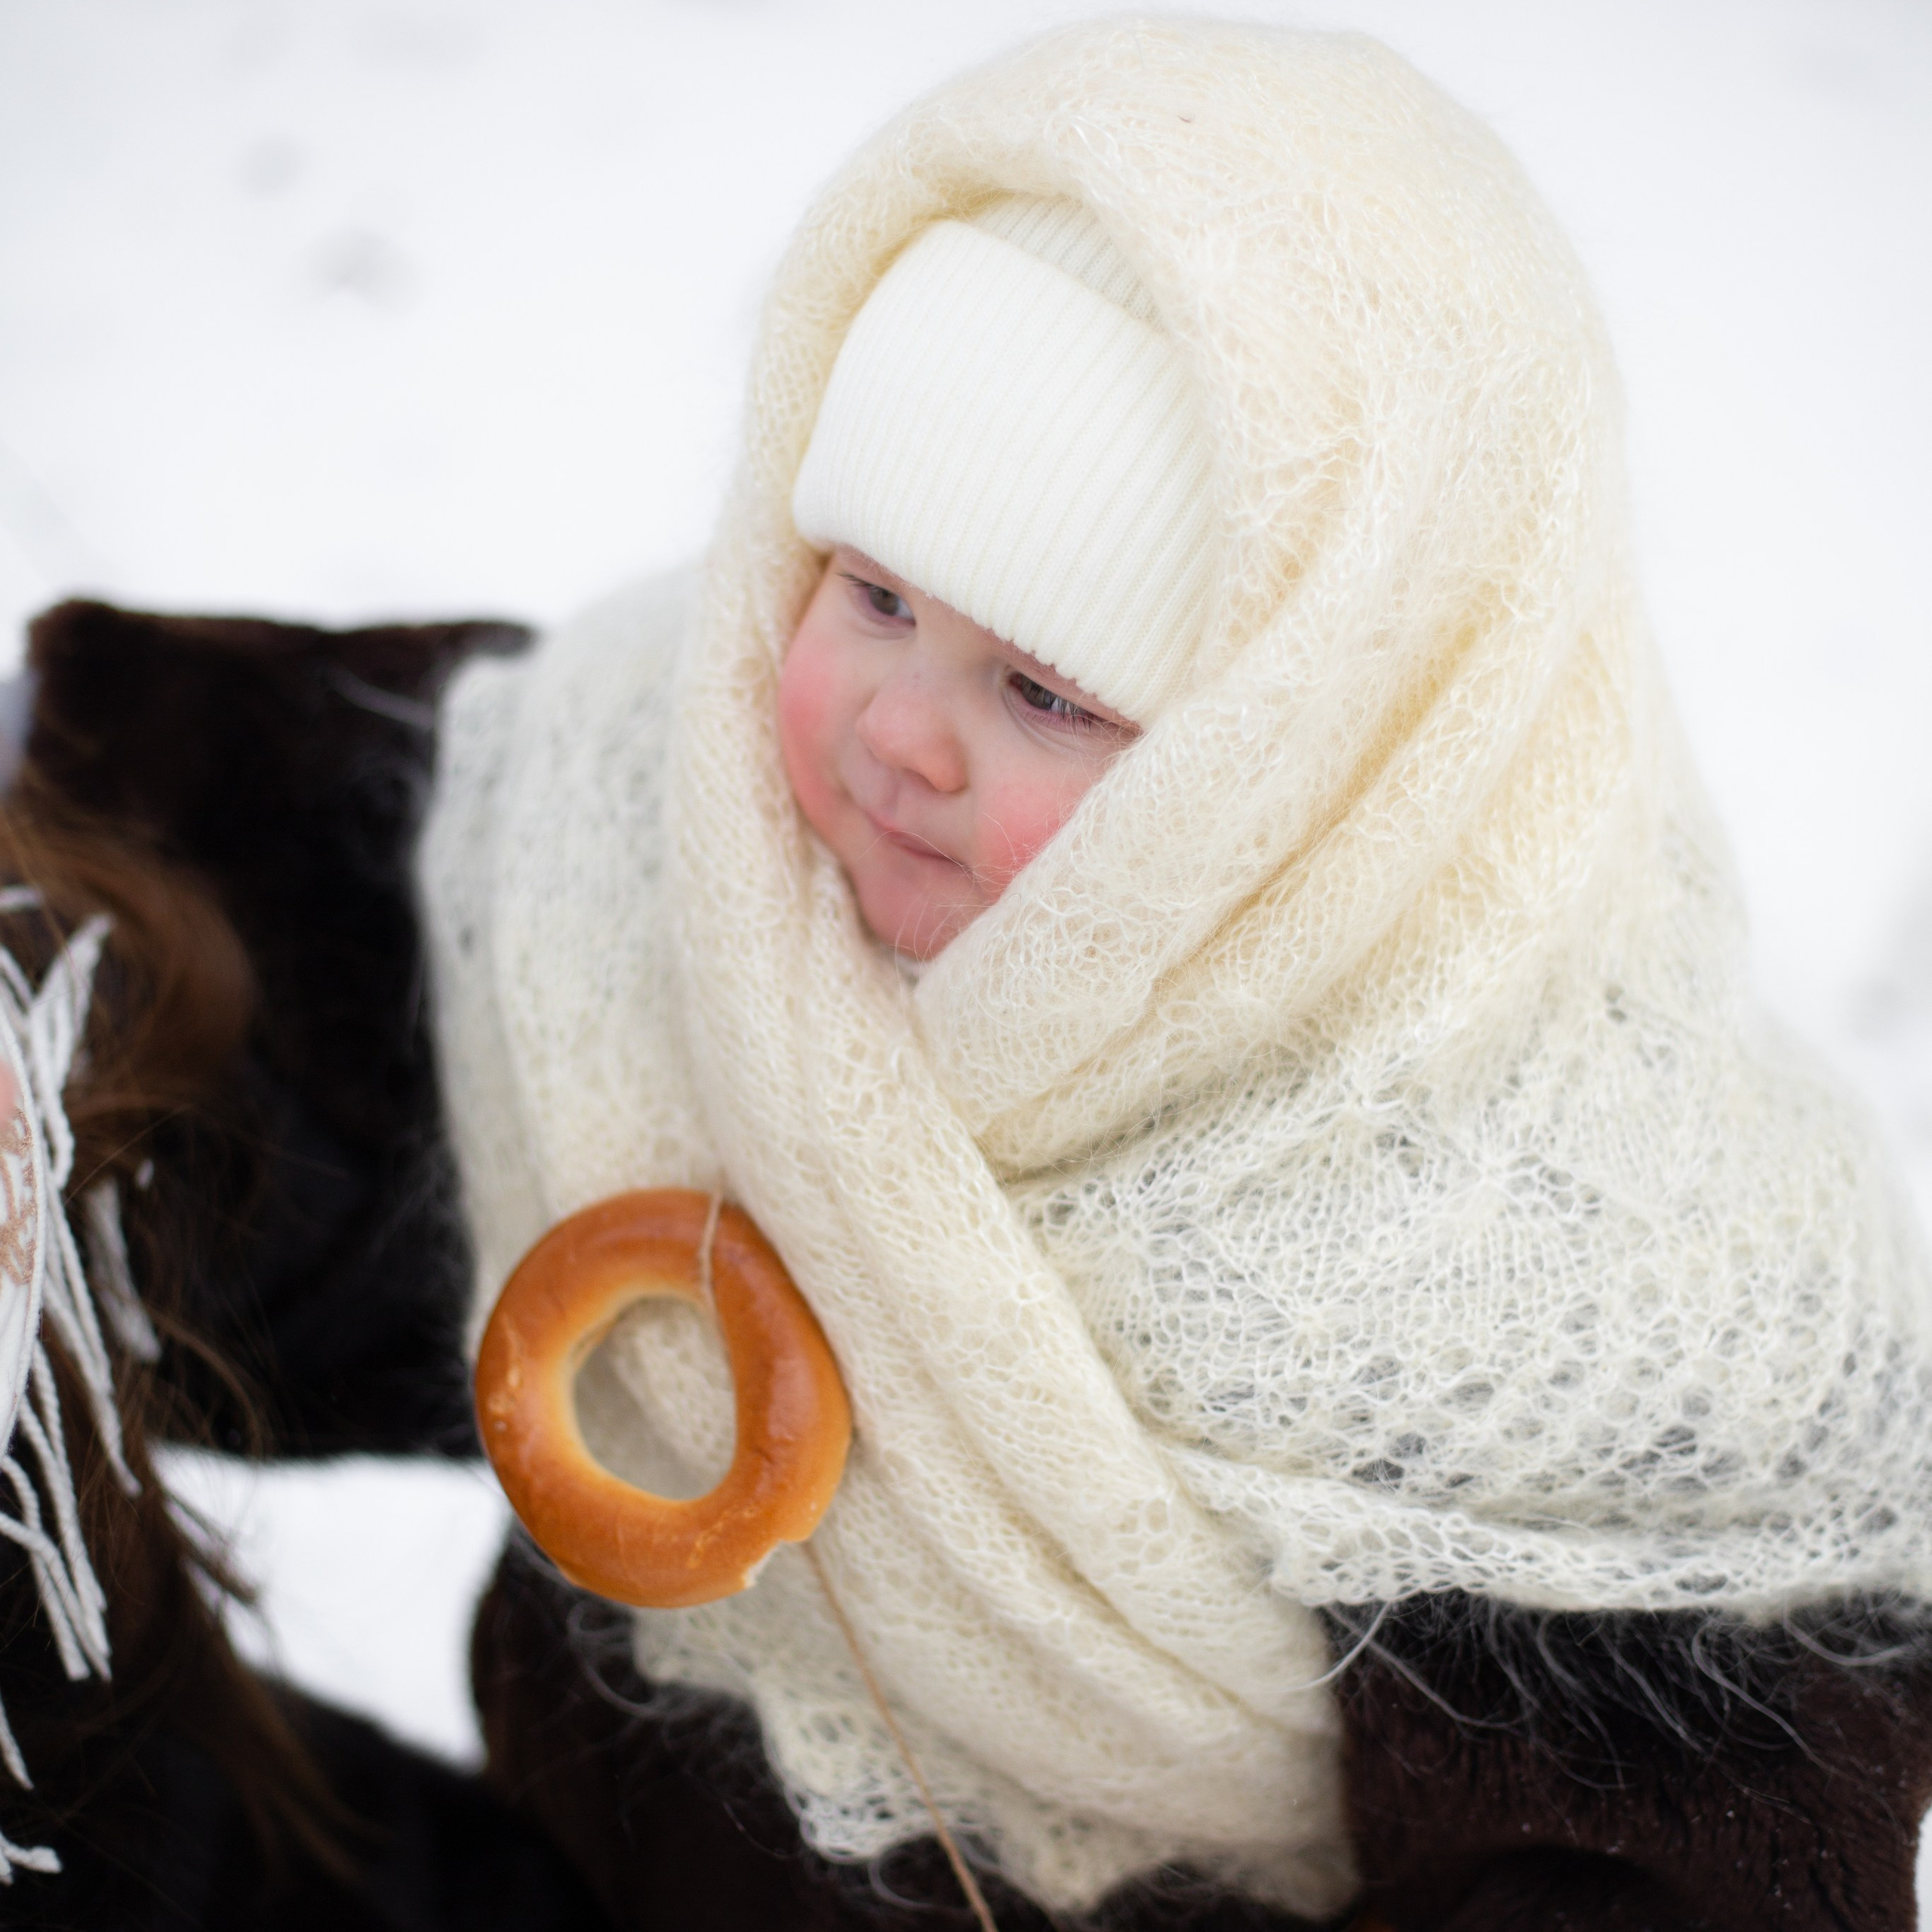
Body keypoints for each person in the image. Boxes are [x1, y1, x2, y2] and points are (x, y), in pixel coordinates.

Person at [420, 19, 1932, 1930]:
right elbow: (312, 955)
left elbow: (1650, 1855)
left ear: (1292, 790)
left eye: (1043, 691)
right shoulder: (665, 811)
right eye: (870, 592)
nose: (897, 731)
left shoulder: (1569, 1255)